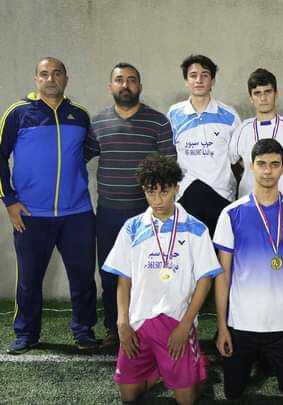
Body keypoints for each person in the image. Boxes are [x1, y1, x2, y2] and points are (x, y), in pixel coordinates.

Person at [0, 57, 98, 354]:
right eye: (45, 74)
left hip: (77, 213)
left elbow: (86, 151)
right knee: (29, 279)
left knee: (83, 277)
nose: (51, 79)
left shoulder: (80, 114)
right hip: (31, 214)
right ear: (36, 79)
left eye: (57, 73)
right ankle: (26, 333)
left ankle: (84, 330)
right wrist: (9, 200)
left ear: (66, 79)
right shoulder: (18, 112)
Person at [102, 155, 219, 405]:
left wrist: (185, 325)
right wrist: (122, 323)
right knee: (129, 395)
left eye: (164, 192)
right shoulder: (132, 227)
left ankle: (197, 367)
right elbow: (124, 279)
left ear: (177, 188)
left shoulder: (196, 228)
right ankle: (160, 369)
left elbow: (204, 281)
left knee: (186, 400)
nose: (157, 200)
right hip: (139, 322)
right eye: (150, 192)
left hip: (177, 321)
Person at [213, 138, 283, 399]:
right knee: (233, 393)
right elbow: (223, 275)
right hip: (241, 322)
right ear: (251, 166)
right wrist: (223, 326)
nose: (267, 171)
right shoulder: (231, 213)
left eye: (274, 164)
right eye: (261, 164)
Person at [87, 62, 176, 347]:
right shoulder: (97, 123)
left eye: (131, 80)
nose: (125, 85)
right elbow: (78, 157)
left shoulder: (158, 122)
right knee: (110, 274)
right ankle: (115, 329)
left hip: (147, 214)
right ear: (110, 86)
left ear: (140, 86)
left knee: (149, 274)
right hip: (109, 213)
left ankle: (150, 328)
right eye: (119, 80)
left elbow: (169, 168)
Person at [168, 54, 241, 236]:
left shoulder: (229, 115)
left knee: (220, 252)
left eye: (205, 75)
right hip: (185, 198)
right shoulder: (173, 114)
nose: (199, 80)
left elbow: (238, 159)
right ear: (186, 81)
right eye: (193, 75)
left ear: (213, 81)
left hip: (221, 197)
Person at [230, 68, 283, 199]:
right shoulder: (242, 129)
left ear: (276, 93)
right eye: (257, 93)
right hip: (249, 203)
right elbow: (232, 163)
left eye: (268, 92)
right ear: (250, 98)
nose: (263, 98)